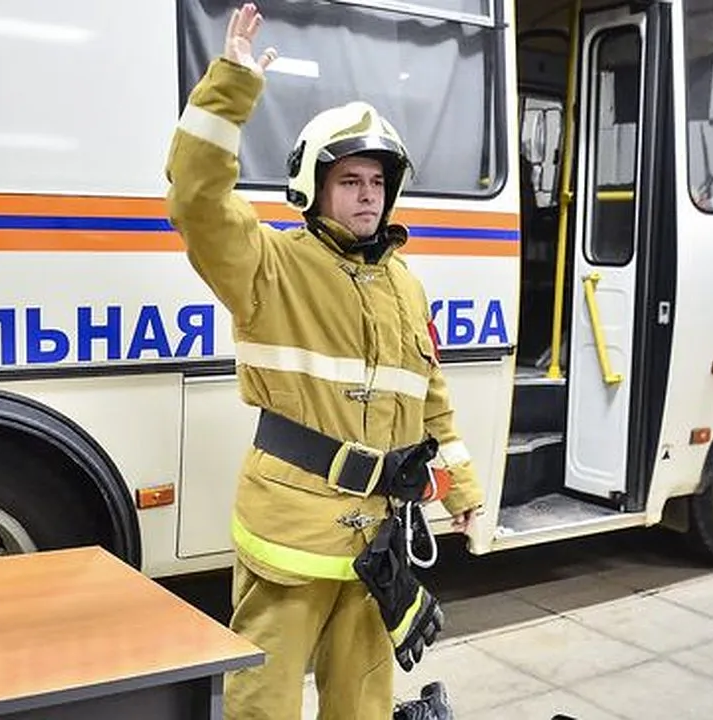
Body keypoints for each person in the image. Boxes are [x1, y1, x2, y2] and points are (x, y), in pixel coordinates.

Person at [164, 4, 485, 718]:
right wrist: (230, 88)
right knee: (263, 701)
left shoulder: (405, 285)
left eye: (377, 182)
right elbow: (195, 200)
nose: (368, 195)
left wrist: (459, 485)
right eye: (350, 181)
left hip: (378, 538)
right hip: (289, 531)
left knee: (363, 701)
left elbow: (430, 393)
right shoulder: (268, 265)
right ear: (314, 187)